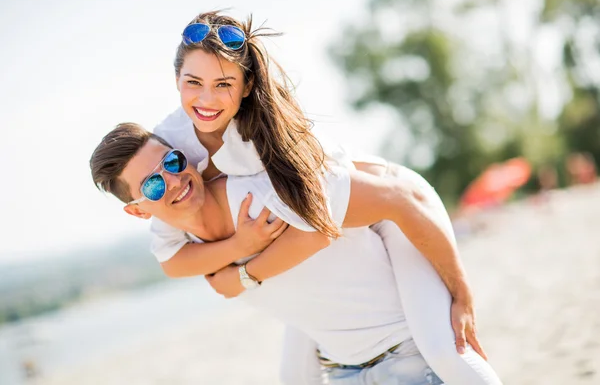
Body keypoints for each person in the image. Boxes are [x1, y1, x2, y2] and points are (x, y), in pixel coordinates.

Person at [152, 10, 479, 356]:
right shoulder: (167, 151)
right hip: (329, 245)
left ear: (247, 86)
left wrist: (462, 294)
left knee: (444, 345)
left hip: (392, 206)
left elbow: (381, 204)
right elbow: (171, 258)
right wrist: (237, 247)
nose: (206, 99)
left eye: (223, 84)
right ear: (176, 79)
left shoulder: (276, 137)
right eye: (193, 82)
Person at [90, 124, 503, 385]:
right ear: (138, 210)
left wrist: (244, 275)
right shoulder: (179, 246)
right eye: (154, 186)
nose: (174, 180)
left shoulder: (254, 196)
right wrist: (240, 248)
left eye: (173, 162)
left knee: (448, 351)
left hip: (393, 206)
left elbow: (347, 220)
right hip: (348, 339)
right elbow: (175, 267)